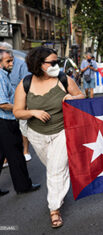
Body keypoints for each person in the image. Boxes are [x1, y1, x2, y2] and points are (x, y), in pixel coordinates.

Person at [13, 47, 84, 228]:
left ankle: (54, 210)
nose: (56, 66)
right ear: (39, 64)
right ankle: (59, 189)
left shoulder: (63, 79)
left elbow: (81, 96)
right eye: (52, 63)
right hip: (36, 134)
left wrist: (72, 98)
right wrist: (33, 112)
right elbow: (17, 111)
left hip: (63, 130)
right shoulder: (25, 84)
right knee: (53, 166)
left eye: (57, 62)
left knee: (56, 169)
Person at [0, 49, 41, 197]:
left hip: (5, 121)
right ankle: (23, 186)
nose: (12, 63)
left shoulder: (4, 75)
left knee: (1, 154)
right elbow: (3, 103)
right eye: (8, 61)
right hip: (5, 121)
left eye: (11, 60)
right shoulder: (0, 77)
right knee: (16, 155)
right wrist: (21, 108)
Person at [0, 42, 32, 164]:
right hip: (8, 114)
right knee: (12, 148)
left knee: (23, 130)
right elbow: (2, 103)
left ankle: (26, 151)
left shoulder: (19, 65)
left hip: (19, 104)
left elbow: (26, 82)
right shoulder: (1, 74)